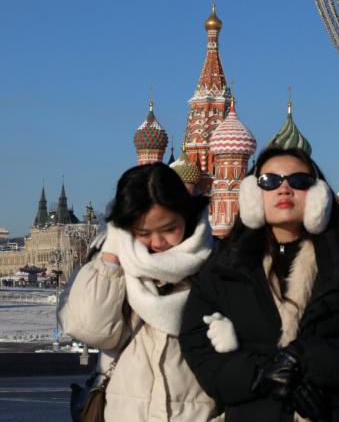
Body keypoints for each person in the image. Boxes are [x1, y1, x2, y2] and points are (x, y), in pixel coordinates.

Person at [179, 147, 339, 422]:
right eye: (270, 181)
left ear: (318, 195)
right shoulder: (226, 268)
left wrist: (305, 361)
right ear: (253, 194)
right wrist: (263, 375)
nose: (284, 188)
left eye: (299, 181)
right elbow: (198, 346)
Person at [59, 163, 221, 421]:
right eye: (143, 233)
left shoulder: (219, 264)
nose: (157, 243)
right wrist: (112, 252)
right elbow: (91, 329)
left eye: (169, 229)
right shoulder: (112, 264)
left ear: (187, 216)